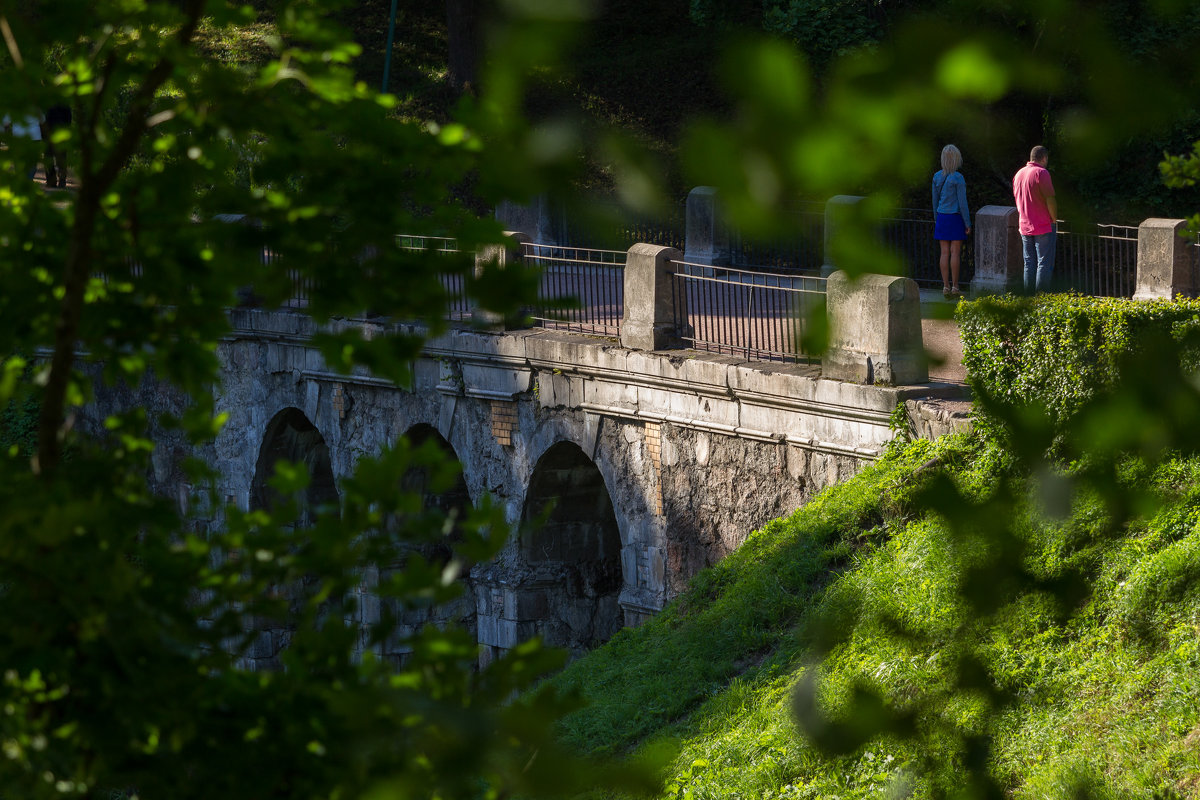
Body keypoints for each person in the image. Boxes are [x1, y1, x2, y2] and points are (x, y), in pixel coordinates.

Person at [1012, 145, 1058, 294]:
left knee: (1029, 263)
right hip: (1043, 225)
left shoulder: (1019, 174)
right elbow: (1050, 199)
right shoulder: (1042, 173)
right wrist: (1054, 218)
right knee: (1043, 263)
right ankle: (1040, 300)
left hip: (1024, 225)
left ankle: (1028, 299)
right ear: (1044, 158)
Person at [932, 144, 970, 298]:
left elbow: (934, 201)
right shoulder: (958, 178)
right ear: (956, 159)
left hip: (941, 217)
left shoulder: (936, 176)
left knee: (944, 253)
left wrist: (936, 219)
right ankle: (955, 286)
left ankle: (945, 286)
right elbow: (963, 203)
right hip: (955, 217)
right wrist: (968, 223)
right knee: (955, 253)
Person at [42, 104, 71, 189]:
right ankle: (54, 181)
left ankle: (59, 180)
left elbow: (69, 118)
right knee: (51, 157)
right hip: (51, 133)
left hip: (58, 133)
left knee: (58, 158)